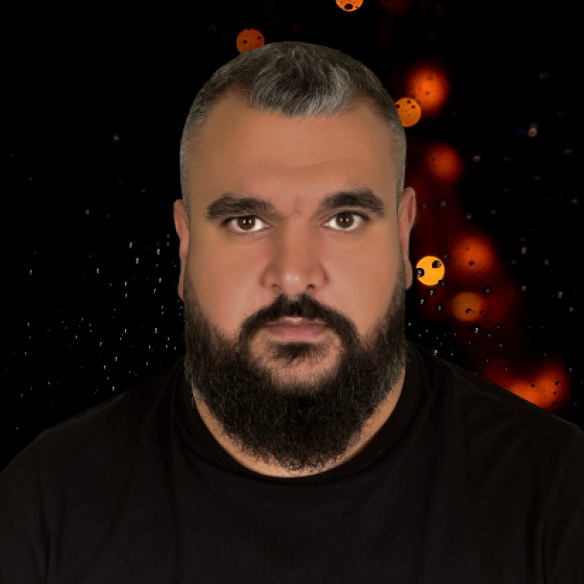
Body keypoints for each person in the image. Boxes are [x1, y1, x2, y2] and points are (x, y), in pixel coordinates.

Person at [1, 41, 583, 583]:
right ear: (184, 247)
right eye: (247, 221)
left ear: (405, 238)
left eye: (344, 219)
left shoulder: (555, 493)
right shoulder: (45, 506)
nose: (295, 273)